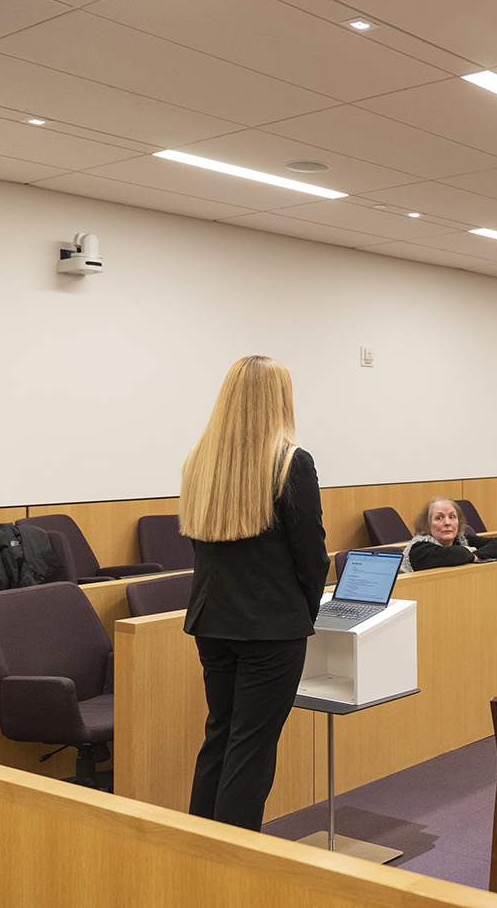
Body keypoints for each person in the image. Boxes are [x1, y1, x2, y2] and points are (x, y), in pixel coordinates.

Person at [179, 355, 328, 830]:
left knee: (220, 736)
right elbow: (313, 557)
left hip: (212, 622)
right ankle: (236, 868)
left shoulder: (200, 462)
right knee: (252, 749)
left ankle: (200, 855)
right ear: (279, 401)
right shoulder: (291, 462)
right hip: (271, 627)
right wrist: (301, 616)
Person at [400, 497, 497, 571]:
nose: (447, 523)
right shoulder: (419, 548)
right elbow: (452, 555)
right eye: (439, 518)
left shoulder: (461, 540)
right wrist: (468, 552)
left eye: (452, 517)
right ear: (427, 524)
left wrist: (475, 556)